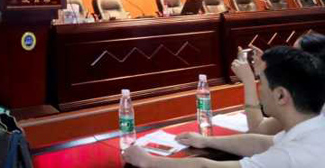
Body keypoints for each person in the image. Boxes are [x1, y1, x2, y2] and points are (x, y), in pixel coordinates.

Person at [123, 46, 325, 168]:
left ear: (280, 95)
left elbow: (206, 167)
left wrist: (149, 162)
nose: (259, 89)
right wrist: (206, 141)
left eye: (261, 82)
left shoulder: (291, 156)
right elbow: (262, 143)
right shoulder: (314, 127)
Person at [231, 33, 325, 134]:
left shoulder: (311, 95)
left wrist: (248, 80)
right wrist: (264, 72)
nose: (288, 57)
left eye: (294, 54)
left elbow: (258, 130)